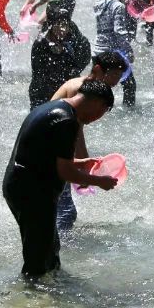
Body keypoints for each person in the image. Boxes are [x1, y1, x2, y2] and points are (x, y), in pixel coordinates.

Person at [2, 80, 118, 278]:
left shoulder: (53, 107)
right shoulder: (67, 121)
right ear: (98, 103)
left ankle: (51, 286)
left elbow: (49, 156)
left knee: (50, 248)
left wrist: (80, 162)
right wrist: (100, 181)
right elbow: (65, 173)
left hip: (21, 184)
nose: (97, 118)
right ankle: (31, 291)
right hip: (32, 191)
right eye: (103, 112)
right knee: (38, 256)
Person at [49, 52, 129, 232]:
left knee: (59, 207)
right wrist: (84, 169)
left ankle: (53, 239)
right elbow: (76, 133)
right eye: (114, 75)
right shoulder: (80, 90)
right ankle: (59, 244)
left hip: (52, 148)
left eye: (120, 76)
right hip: (51, 150)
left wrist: (81, 163)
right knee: (66, 212)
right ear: (98, 69)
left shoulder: (86, 88)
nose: (116, 82)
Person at [28, 3, 92, 109]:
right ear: (51, 25)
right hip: (42, 94)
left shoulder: (70, 37)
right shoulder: (41, 43)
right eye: (59, 24)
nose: (63, 29)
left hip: (63, 90)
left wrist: (75, 71)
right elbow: (39, 74)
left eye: (66, 25)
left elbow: (85, 51)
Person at [92, 0, 136, 107]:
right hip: (111, 54)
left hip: (97, 52)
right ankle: (129, 113)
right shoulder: (118, 6)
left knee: (99, 89)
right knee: (130, 85)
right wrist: (129, 50)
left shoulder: (98, 4)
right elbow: (119, 31)